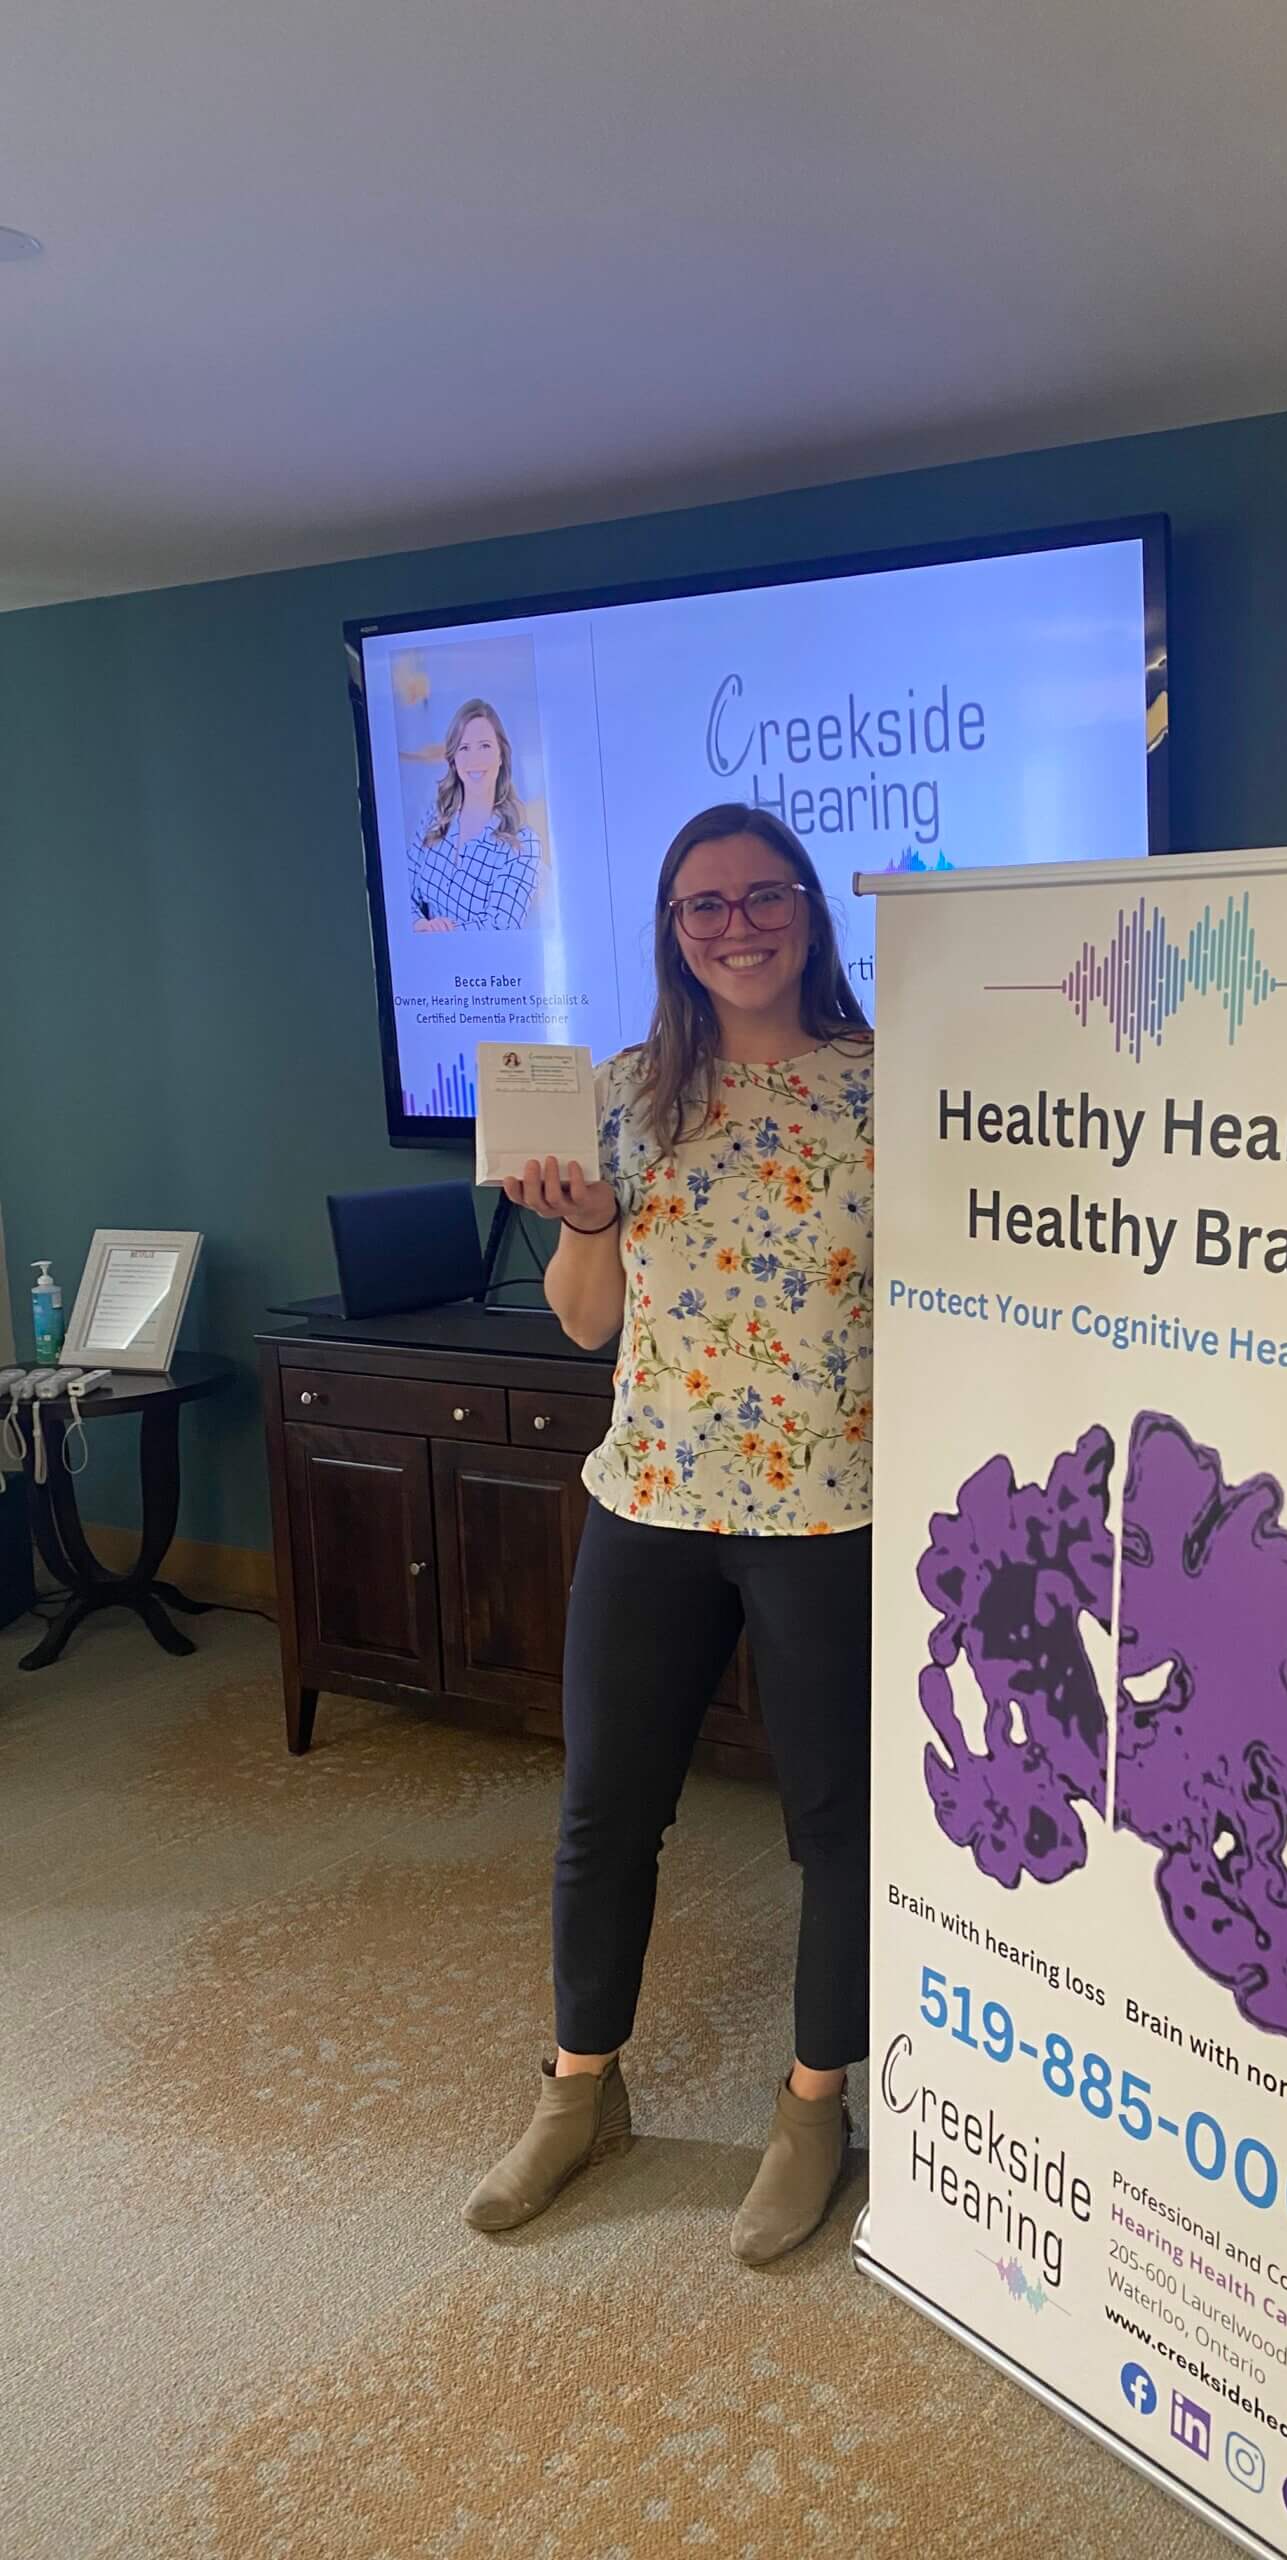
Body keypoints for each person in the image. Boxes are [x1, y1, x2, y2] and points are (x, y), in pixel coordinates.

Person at [463, 803, 875, 2264]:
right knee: (605, 1811)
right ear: (671, 931)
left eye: (765, 897)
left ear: (812, 913)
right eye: (703, 906)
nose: (737, 924)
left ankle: (816, 2105)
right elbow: (588, 1325)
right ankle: (583, 2093)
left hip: (833, 1511)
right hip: (649, 1500)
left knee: (838, 1828)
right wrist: (582, 1224)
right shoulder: (628, 1092)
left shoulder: (888, 1093)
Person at [407, 697, 542, 930]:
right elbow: (402, 891)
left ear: (501, 756)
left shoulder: (524, 843)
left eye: (485, 746)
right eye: (464, 748)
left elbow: (500, 927)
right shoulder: (434, 815)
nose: (475, 759)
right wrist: (418, 924)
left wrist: (439, 935)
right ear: (454, 759)